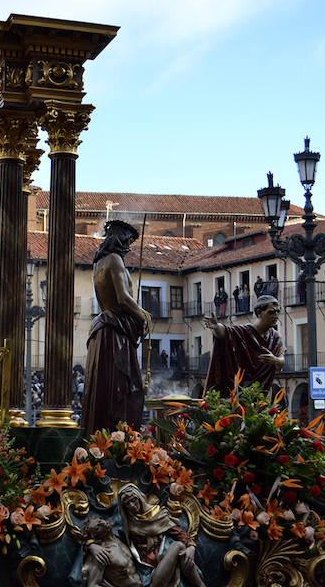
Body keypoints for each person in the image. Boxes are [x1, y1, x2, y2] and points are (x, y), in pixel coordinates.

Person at [81, 220, 150, 432]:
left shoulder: (98, 264)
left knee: (103, 386)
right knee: (123, 388)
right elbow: (122, 299)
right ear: (119, 239)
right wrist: (144, 315)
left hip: (103, 328)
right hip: (116, 332)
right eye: (128, 241)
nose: (129, 247)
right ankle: (119, 439)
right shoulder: (115, 261)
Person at [117, 484, 207, 587]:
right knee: (178, 546)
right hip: (147, 571)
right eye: (127, 503)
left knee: (181, 549)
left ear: (140, 497)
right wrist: (93, 545)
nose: (132, 505)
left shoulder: (158, 514)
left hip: (164, 554)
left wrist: (191, 546)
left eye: (134, 500)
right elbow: (109, 541)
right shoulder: (126, 525)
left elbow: (178, 533)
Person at [204, 294, 284, 395]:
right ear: (259, 313)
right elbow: (225, 333)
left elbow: (281, 359)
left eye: (278, 312)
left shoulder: (275, 337)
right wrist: (216, 327)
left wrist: (275, 360)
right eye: (271, 312)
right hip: (240, 392)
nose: (276, 316)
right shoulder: (243, 332)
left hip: (262, 394)